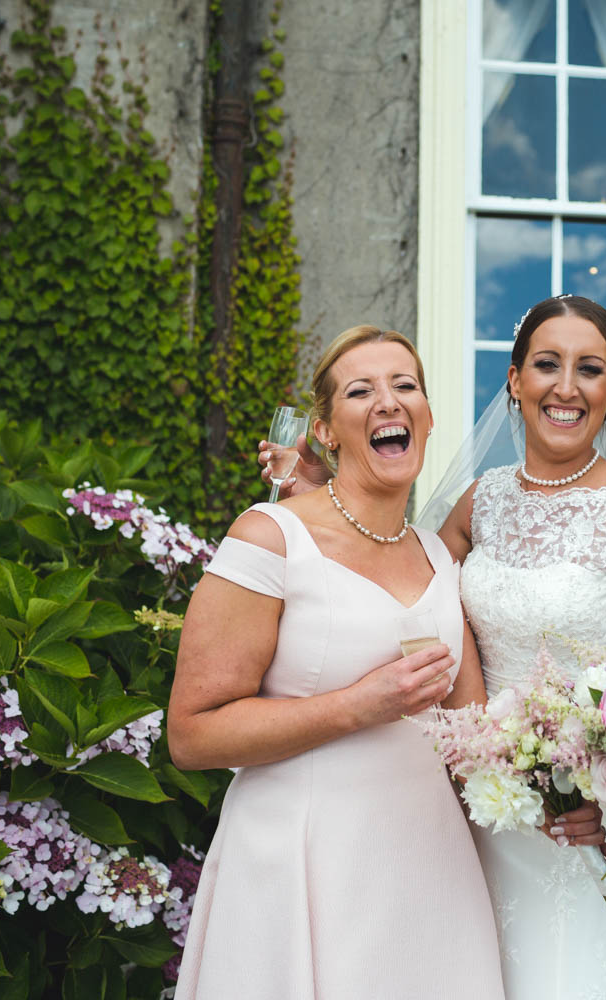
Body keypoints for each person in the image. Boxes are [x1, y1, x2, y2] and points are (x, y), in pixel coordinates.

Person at [261, 296, 606, 1000]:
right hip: (478, 815)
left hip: (586, 829)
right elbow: (400, 567)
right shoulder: (480, 501)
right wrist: (320, 489)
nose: (566, 386)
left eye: (589, 369)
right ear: (514, 381)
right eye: (547, 364)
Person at [169, 326, 504, 999]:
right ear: (324, 430)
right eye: (362, 390)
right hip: (303, 862)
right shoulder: (271, 534)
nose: (388, 401)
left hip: (427, 869)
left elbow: (475, 736)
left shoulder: (440, 557)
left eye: (404, 386)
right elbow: (192, 734)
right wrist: (358, 705)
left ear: (429, 417)